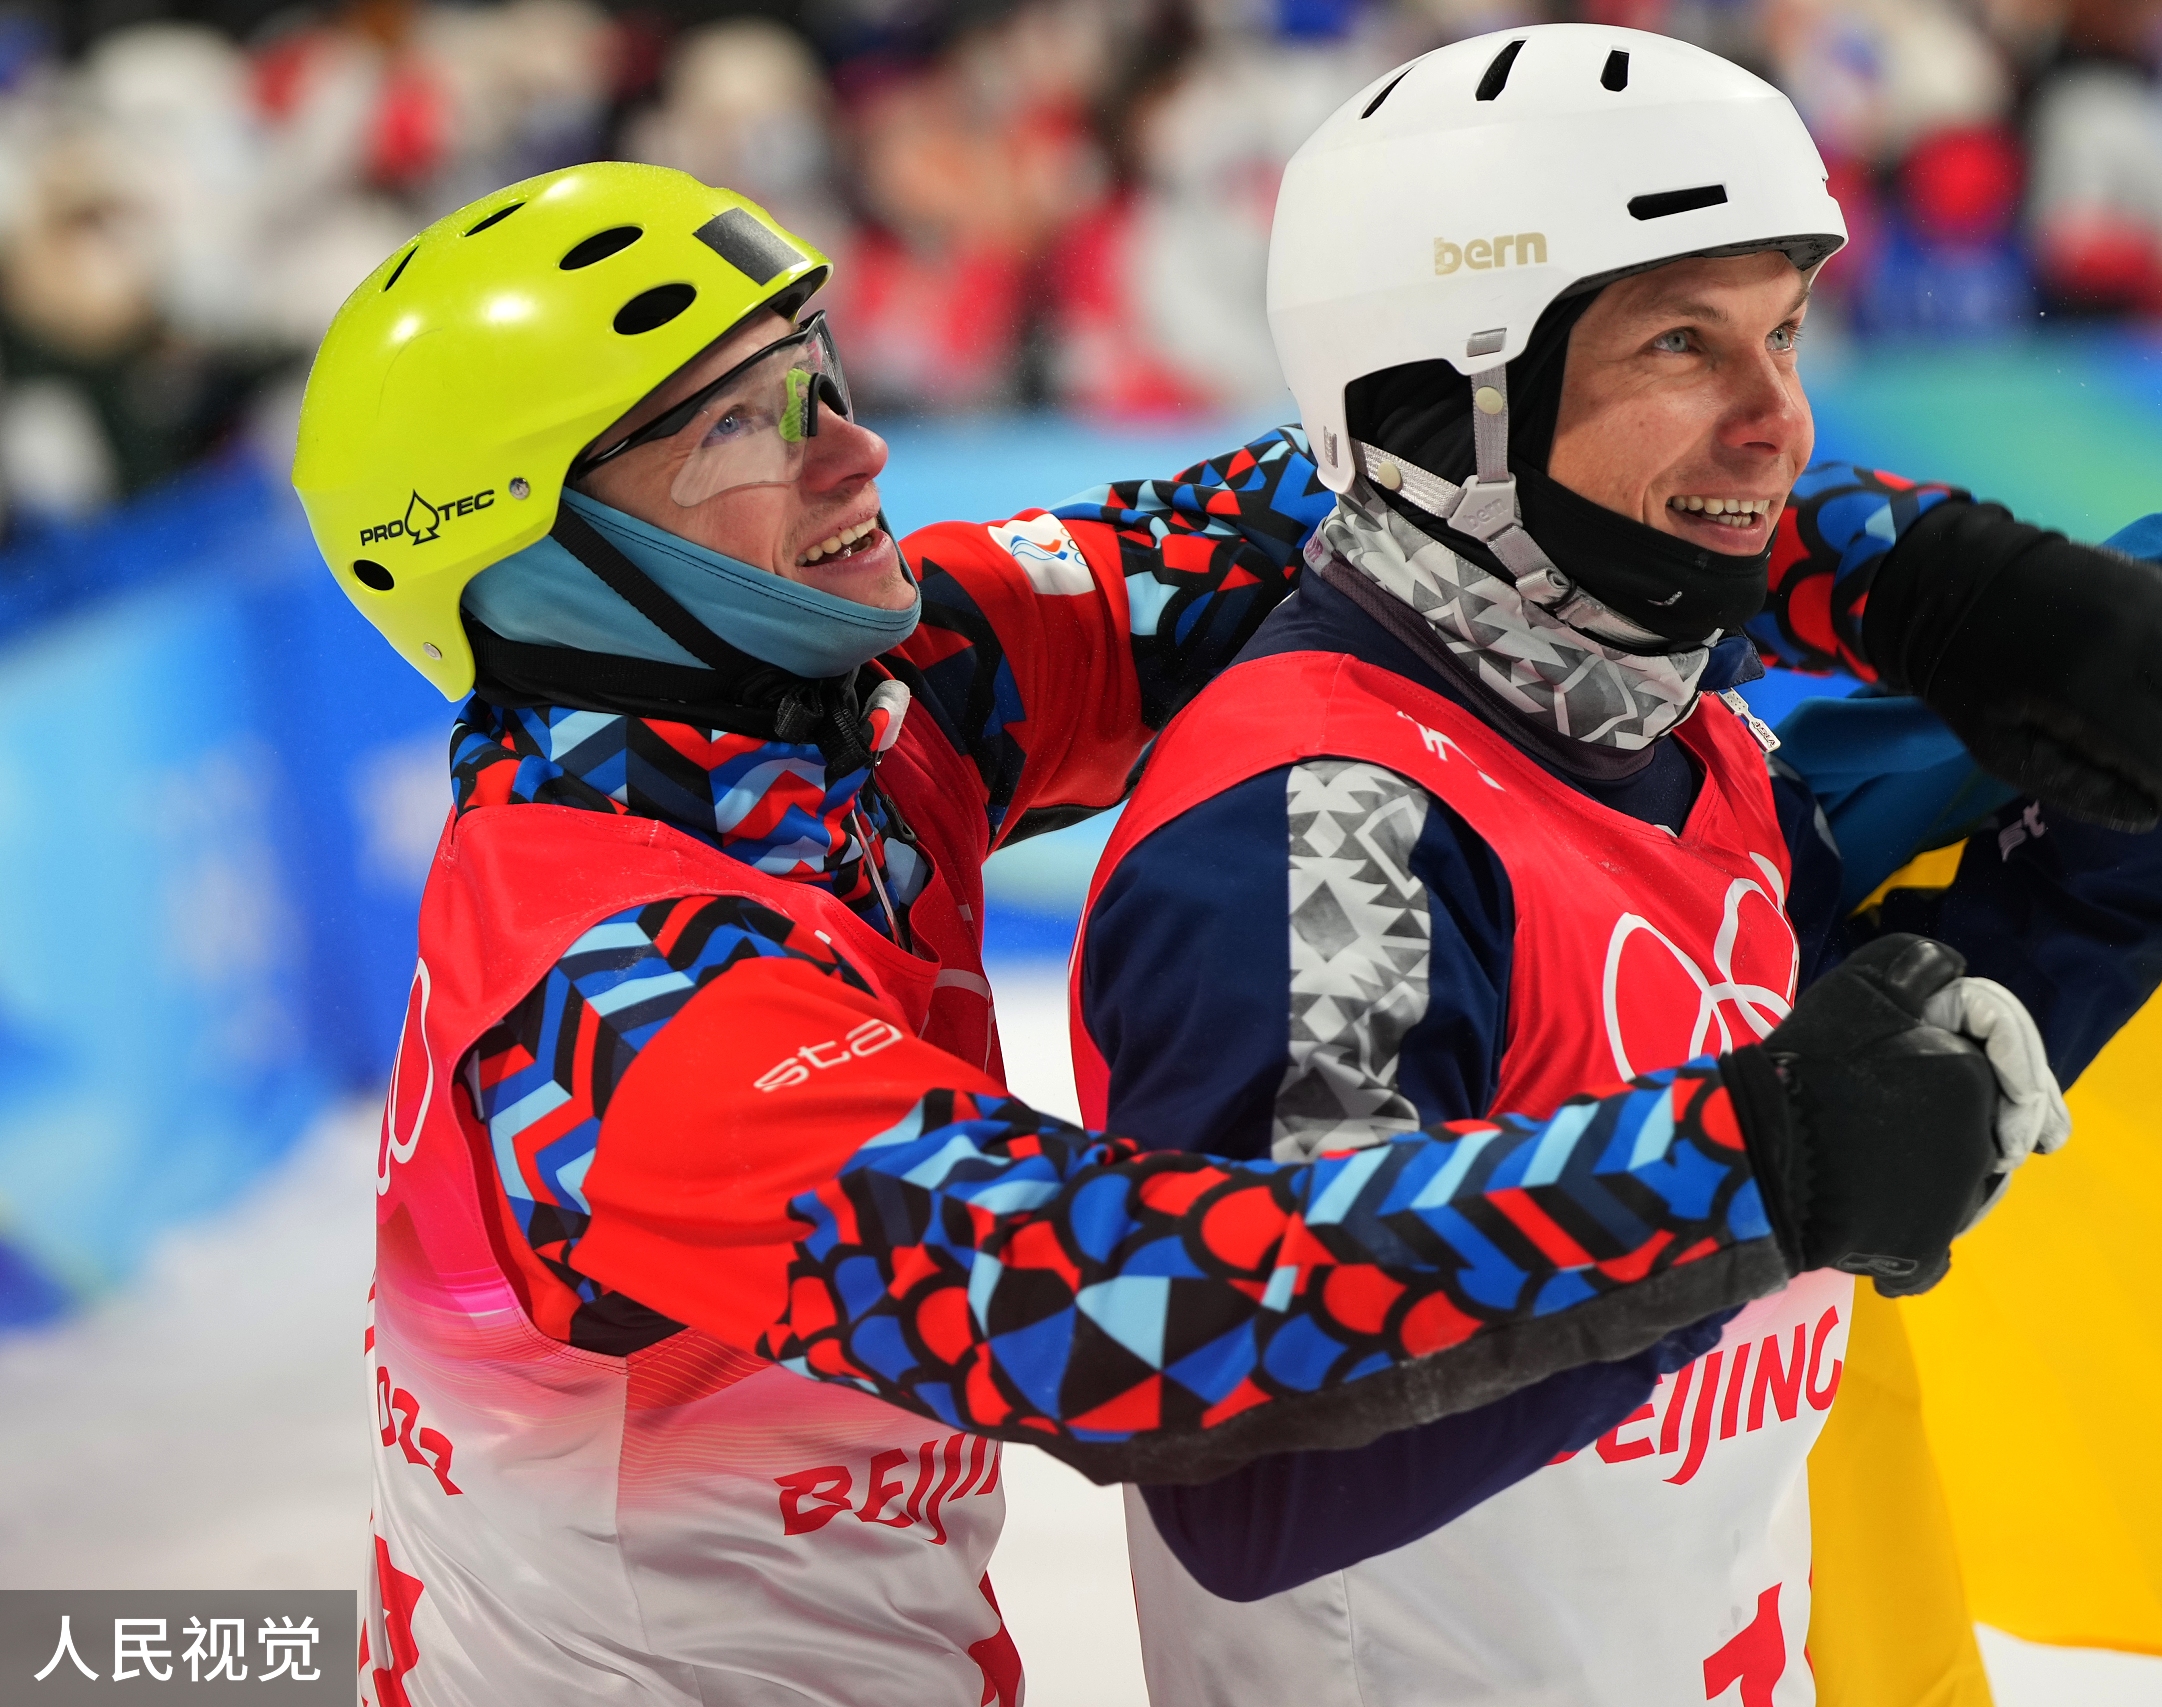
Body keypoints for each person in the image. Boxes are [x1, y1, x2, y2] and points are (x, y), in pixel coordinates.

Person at [293, 162, 2041, 1707]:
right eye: (742, 422)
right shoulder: (613, 1003)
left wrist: (1919, 570)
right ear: (534, 558)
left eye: (818, 373)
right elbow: (1106, 1310)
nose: (858, 444)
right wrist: (1749, 1159)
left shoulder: (853, 713)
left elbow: (1347, 490)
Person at [1070, 25, 2162, 1704]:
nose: (1780, 423)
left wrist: (2120, 846)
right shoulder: (1326, 821)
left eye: (1783, 333)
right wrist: (1751, 1178)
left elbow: (1894, 1095)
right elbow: (1256, 1467)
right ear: (1447, 402)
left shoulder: (1685, 731)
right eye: (1681, 343)